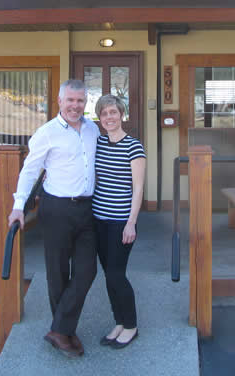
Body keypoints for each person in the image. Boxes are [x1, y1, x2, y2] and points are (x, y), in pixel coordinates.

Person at [8, 79, 100, 358]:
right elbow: (30, 170)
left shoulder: (93, 129)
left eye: (80, 101)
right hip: (56, 208)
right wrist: (18, 206)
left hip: (87, 209)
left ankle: (59, 329)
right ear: (59, 101)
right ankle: (66, 332)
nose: (75, 105)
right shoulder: (46, 133)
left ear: (86, 103)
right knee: (58, 272)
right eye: (70, 100)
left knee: (87, 270)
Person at [92, 95, 146, 349]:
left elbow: (138, 188)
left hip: (120, 222)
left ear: (121, 114)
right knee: (108, 275)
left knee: (116, 274)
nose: (109, 117)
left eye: (113, 112)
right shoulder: (98, 143)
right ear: (99, 119)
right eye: (104, 114)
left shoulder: (133, 147)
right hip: (97, 220)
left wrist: (131, 222)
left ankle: (132, 326)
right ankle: (119, 322)